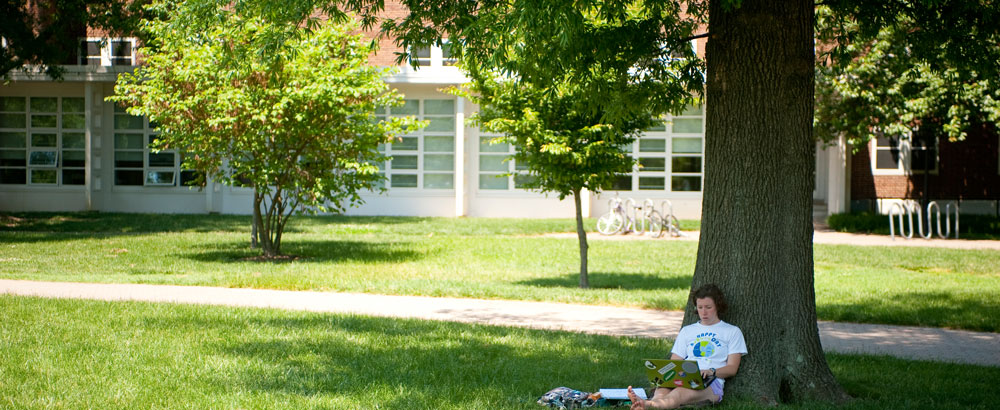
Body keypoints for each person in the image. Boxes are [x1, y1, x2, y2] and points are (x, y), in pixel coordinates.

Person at [627, 283, 748, 409]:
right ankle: (650, 403)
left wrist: (711, 371)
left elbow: (732, 369)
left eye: (708, 307)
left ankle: (646, 404)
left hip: (711, 382)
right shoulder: (687, 331)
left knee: (679, 393)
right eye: (700, 307)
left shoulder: (732, 331)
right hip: (685, 376)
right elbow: (675, 362)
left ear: (718, 306)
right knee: (662, 389)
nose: (704, 312)